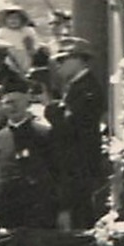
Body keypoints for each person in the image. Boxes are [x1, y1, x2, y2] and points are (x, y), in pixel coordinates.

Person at [0, 78, 58, 230]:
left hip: (39, 210)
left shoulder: (44, 134)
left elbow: (57, 172)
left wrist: (62, 209)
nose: (12, 107)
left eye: (17, 101)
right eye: (7, 102)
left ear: (27, 103)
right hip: (7, 211)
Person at [45, 37, 105, 229]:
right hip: (71, 166)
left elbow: (69, 126)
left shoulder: (88, 89)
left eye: (62, 60)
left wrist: (49, 108)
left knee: (79, 221)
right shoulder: (74, 87)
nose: (58, 65)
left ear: (78, 60)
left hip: (80, 166)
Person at [0, 3, 40, 75]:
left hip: (24, 53)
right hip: (9, 53)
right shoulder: (3, 31)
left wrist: (31, 47)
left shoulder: (28, 30)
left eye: (16, 18)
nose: (13, 21)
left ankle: (25, 74)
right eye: (10, 18)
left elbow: (35, 42)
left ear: (22, 19)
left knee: (24, 67)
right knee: (9, 67)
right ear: (5, 20)